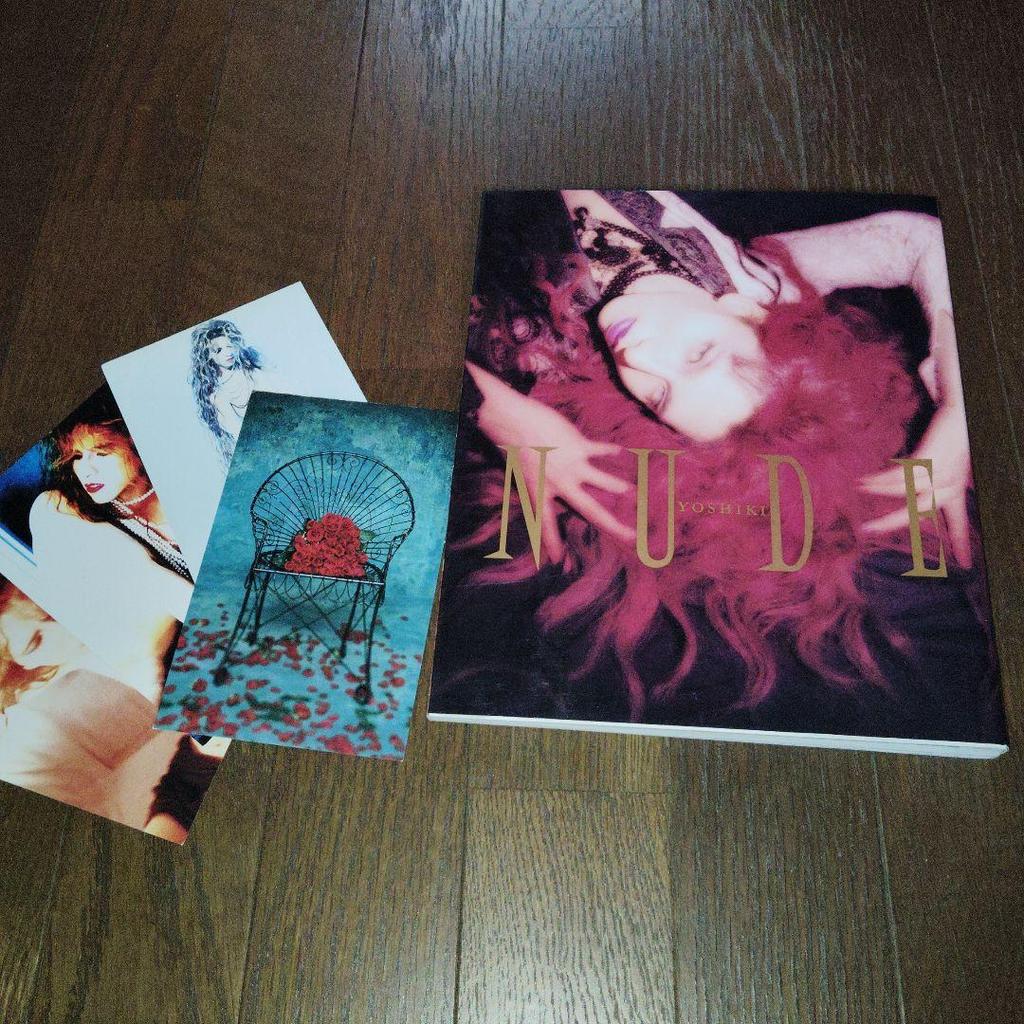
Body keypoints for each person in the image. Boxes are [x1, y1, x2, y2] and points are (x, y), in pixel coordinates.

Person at [433, 190, 1002, 741]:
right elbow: (915, 239)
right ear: (746, 314)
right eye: (700, 355)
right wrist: (960, 399)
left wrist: (495, 410)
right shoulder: (758, 283)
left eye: (659, 397)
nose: (642, 357)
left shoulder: (539, 353)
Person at [0, 579, 219, 841]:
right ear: (24, 661)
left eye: (49, 608)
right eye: (35, 641)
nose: (59, 624)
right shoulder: (39, 730)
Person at [28, 412, 191, 694]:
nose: (86, 470)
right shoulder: (64, 510)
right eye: (77, 457)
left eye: (101, 453)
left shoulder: (185, 481)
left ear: (136, 443)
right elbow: (148, 579)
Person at [189, 319, 264, 463]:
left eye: (229, 346)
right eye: (218, 350)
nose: (228, 353)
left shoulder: (251, 371)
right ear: (208, 356)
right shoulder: (217, 396)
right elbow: (238, 432)